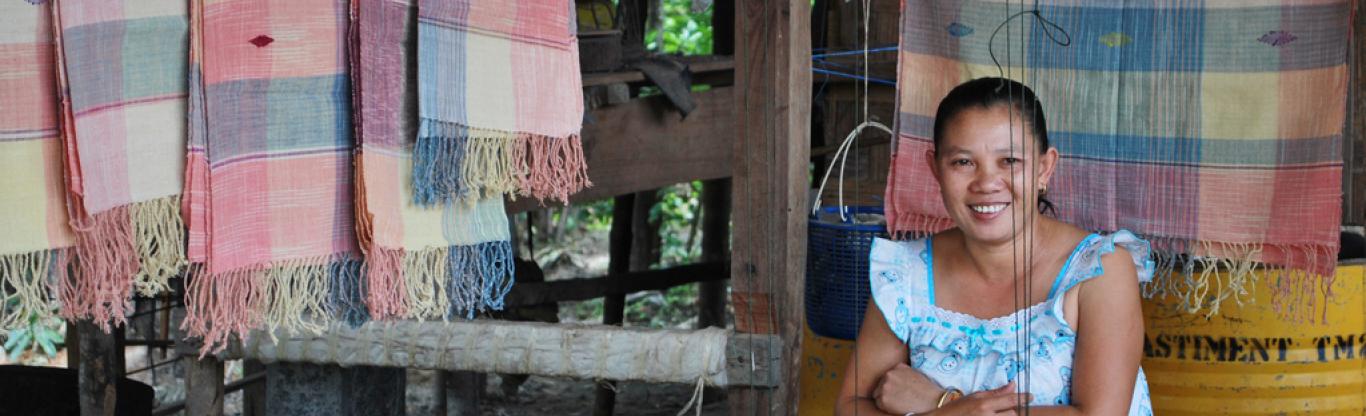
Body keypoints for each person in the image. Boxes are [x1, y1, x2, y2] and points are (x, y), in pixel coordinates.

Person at [835, 77, 1154, 415]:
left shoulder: (1098, 270)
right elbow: (851, 406)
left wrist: (944, 405)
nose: (986, 183)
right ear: (935, 170)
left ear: (1044, 169)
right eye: (962, 162)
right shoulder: (905, 274)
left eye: (1010, 161)